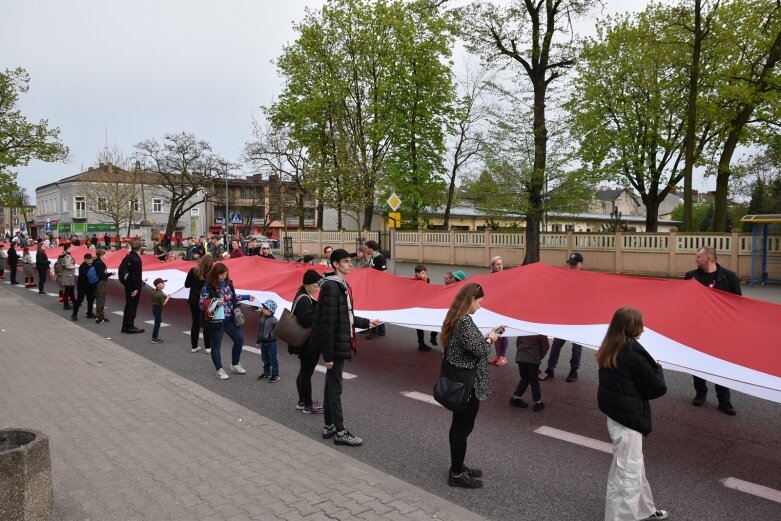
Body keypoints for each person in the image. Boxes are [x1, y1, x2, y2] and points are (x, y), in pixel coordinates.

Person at [596, 307, 668, 521]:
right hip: (628, 420)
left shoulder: (611, 346)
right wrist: (657, 367)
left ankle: (645, 509)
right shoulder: (631, 354)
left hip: (618, 416)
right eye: (641, 324)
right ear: (631, 327)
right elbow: (657, 388)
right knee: (627, 474)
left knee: (633, 468)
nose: (643, 329)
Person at [311, 248, 380, 446]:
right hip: (336, 345)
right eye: (346, 262)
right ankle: (340, 432)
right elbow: (328, 323)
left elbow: (344, 317)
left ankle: (329, 426)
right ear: (335, 265)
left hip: (339, 341)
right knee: (336, 389)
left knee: (331, 385)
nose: (351, 265)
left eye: (350, 261)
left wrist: (367, 322)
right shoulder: (332, 287)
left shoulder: (339, 285)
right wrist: (329, 355)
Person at [440, 282, 504, 488]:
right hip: (468, 385)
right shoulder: (464, 321)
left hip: (461, 382)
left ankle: (457, 465)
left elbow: (471, 346)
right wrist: (491, 339)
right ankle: (456, 474)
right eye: (479, 302)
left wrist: (487, 337)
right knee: (462, 429)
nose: (479, 306)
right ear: (470, 300)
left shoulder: (456, 318)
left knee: (458, 427)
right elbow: (481, 351)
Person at [685, 246, 740, 415]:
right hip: (698, 328)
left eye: (698, 256)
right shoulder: (691, 277)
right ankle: (700, 393)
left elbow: (738, 302)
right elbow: (684, 301)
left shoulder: (729, 276)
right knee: (697, 363)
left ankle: (724, 400)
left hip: (721, 330)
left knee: (721, 365)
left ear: (708, 258)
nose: (696, 259)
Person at [199, 262, 256, 380]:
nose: (224, 276)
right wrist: (216, 303)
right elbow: (201, 304)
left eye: (225, 274)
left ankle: (235, 364)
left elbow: (233, 297)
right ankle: (219, 369)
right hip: (216, 320)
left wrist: (246, 297)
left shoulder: (228, 283)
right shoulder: (207, 286)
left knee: (239, 339)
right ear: (215, 274)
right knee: (216, 345)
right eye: (221, 275)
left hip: (230, 318)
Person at [542, 252, 585, 382]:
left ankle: (574, 370)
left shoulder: (585, 279)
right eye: (570, 264)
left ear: (580, 264)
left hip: (579, 320)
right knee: (556, 344)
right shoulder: (565, 277)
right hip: (565, 319)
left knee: (576, 347)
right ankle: (550, 369)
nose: (571, 267)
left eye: (574, 264)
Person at [290, 269, 323, 414]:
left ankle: (302, 401)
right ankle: (308, 405)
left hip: (304, 342)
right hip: (307, 343)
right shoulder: (304, 298)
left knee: (304, 372)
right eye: (316, 286)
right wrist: (319, 313)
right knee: (306, 374)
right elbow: (305, 320)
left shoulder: (303, 295)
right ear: (308, 284)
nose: (317, 289)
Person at [509, 335, 550, 411]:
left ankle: (516, 397)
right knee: (534, 381)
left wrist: (521, 352)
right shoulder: (540, 333)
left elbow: (518, 342)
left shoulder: (524, 330)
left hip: (521, 357)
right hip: (533, 359)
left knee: (524, 379)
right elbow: (545, 347)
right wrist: (539, 356)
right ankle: (537, 402)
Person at [185, 254, 214, 353]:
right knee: (207, 323)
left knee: (195, 323)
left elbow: (187, 285)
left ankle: (194, 346)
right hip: (207, 301)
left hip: (194, 300)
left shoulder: (193, 271)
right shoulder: (211, 273)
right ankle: (208, 347)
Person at [487, 256, 508, 366]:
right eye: (497, 264)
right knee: (495, 332)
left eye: (501, 264)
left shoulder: (506, 276)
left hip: (504, 308)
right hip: (494, 308)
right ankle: (497, 355)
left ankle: (503, 357)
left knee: (503, 333)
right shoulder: (490, 277)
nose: (500, 266)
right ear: (493, 266)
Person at [121, 241, 146, 334]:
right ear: (140, 249)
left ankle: (125, 326)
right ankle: (130, 326)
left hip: (127, 285)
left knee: (128, 305)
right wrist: (136, 288)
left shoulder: (127, 257)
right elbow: (136, 275)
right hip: (133, 286)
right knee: (132, 306)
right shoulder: (136, 260)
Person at [364, 240, 387, 339]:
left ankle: (375, 330)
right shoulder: (372, 258)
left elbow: (384, 272)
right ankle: (380, 330)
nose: (365, 249)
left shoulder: (380, 258)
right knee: (375, 308)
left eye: (366, 247)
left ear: (371, 248)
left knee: (375, 308)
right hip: (372, 286)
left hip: (377, 287)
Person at [256, 299, 280, 382]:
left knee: (273, 359)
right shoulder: (262, 319)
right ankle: (266, 373)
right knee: (265, 359)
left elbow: (277, 331)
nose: (263, 309)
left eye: (265, 308)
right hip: (263, 342)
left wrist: (270, 335)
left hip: (271, 343)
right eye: (263, 308)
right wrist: (258, 341)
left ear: (271, 310)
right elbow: (259, 330)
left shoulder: (275, 320)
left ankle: (275, 375)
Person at [413, 264, 435, 351]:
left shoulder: (427, 280)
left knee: (434, 320)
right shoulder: (413, 282)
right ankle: (421, 344)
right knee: (419, 326)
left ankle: (433, 336)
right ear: (417, 274)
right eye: (422, 273)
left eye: (425, 273)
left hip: (426, 305)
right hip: (418, 307)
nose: (424, 275)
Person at [71, 253, 97, 321]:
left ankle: (89, 313)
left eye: (91, 259)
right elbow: (89, 274)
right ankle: (74, 314)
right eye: (88, 259)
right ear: (85, 259)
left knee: (91, 299)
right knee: (79, 300)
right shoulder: (82, 267)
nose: (90, 260)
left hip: (91, 286)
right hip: (82, 286)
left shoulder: (92, 265)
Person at [93, 249, 113, 323]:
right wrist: (110, 273)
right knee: (101, 300)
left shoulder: (96, 262)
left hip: (98, 282)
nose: (106, 256)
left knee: (100, 299)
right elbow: (102, 275)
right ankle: (100, 317)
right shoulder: (99, 263)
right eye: (105, 254)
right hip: (100, 283)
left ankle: (100, 316)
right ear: (101, 256)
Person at [150, 278, 170, 344]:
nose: (164, 284)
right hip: (158, 308)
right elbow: (163, 303)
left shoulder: (155, 291)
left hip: (154, 307)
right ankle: (154, 338)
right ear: (158, 285)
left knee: (158, 320)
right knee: (157, 324)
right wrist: (167, 297)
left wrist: (164, 295)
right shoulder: (159, 294)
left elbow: (159, 296)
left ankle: (154, 337)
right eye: (163, 283)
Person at [59, 243, 76, 309]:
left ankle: (74, 303)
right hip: (68, 274)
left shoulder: (63, 254)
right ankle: (65, 305)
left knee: (71, 289)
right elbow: (67, 266)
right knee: (68, 290)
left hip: (68, 274)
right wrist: (75, 267)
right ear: (69, 247)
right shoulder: (67, 256)